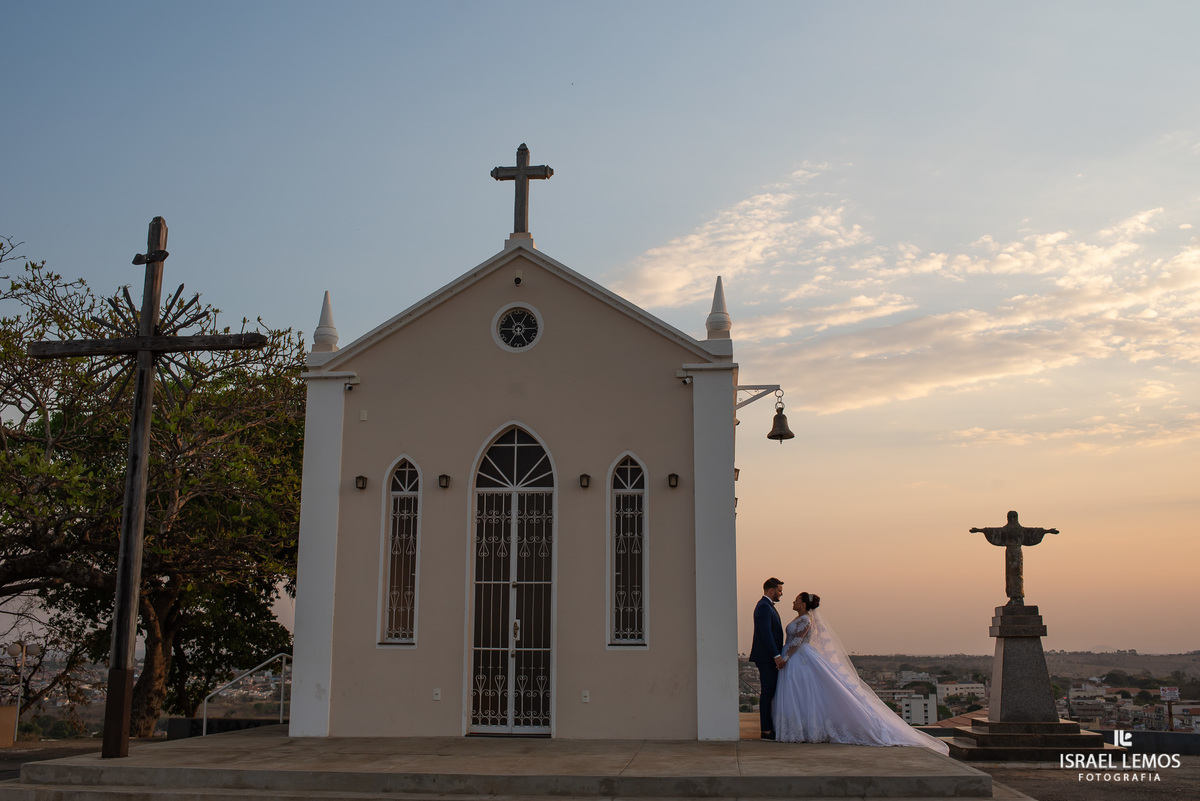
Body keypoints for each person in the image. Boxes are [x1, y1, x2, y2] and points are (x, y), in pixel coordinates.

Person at [773, 592, 949, 753]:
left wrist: (785, 658)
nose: (793, 602)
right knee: (800, 693)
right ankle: (800, 728)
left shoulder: (806, 620)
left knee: (804, 692)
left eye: (796, 600)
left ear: (804, 604)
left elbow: (797, 641)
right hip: (795, 658)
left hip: (799, 657)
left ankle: (807, 729)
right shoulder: (800, 618)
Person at [749, 577, 785, 740]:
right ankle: (766, 730)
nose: (781, 594)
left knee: (769, 692)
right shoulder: (764, 606)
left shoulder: (766, 606)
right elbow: (766, 633)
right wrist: (776, 655)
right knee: (767, 692)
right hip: (766, 658)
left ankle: (768, 728)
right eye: (779, 590)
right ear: (771, 590)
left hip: (767, 657)